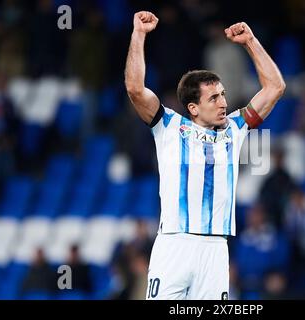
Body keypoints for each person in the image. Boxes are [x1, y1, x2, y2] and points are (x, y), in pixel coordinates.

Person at [124, 11, 285, 300]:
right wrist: (139, 35)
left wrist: (250, 42)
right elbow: (135, 89)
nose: (223, 102)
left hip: (215, 249)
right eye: (214, 98)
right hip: (175, 243)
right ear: (193, 107)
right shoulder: (169, 126)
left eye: (223, 95)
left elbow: (275, 87)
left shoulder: (236, 128)